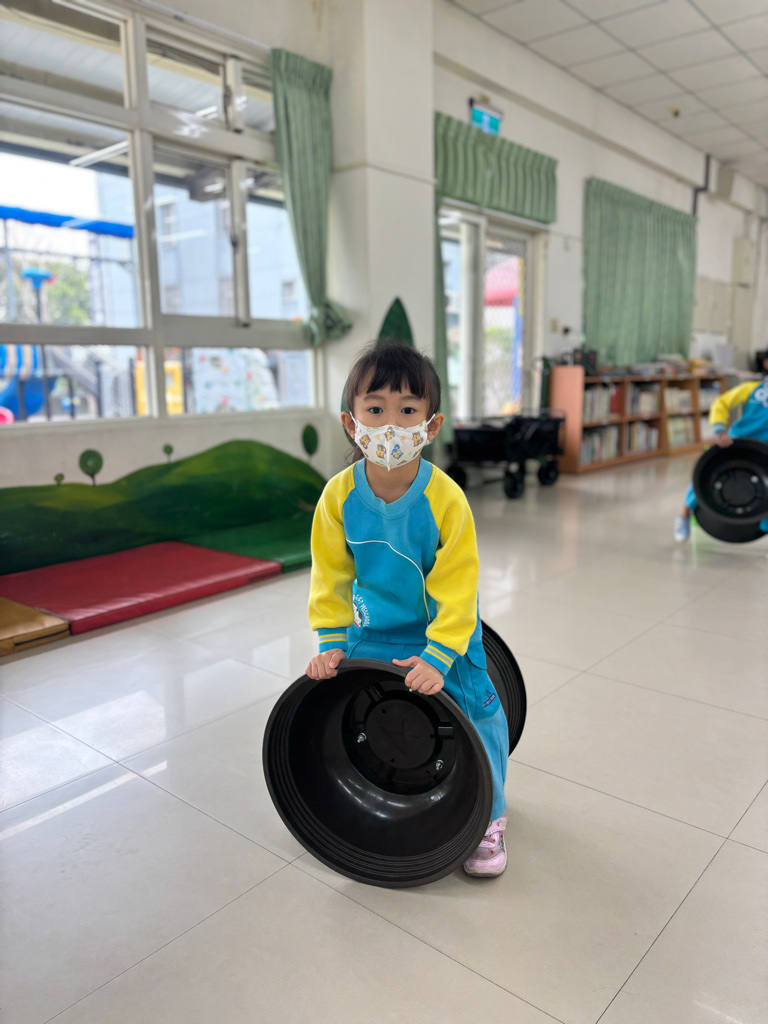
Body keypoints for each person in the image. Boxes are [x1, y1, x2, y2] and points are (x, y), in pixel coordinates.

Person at [305, 340, 510, 877]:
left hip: (441, 635)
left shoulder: (446, 499)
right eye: (375, 409)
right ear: (351, 423)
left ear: (431, 425)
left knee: (482, 711)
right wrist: (330, 644)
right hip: (371, 633)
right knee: (344, 704)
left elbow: (459, 588)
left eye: (407, 410)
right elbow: (330, 577)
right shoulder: (337, 498)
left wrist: (440, 655)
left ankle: (491, 817)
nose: (390, 425)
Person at [674, 351, 768, 542]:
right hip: (738, 442)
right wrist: (719, 429)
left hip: (765, 449)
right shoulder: (752, 388)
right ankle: (683, 515)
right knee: (705, 474)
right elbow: (721, 403)